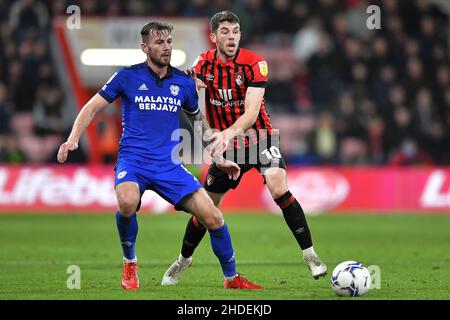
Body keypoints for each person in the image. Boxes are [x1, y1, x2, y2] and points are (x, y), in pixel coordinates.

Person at [57, 21, 262, 290]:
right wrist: (73, 139)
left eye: (168, 42)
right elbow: (91, 107)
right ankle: (130, 263)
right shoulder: (127, 76)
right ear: (145, 47)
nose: (166, 47)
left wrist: (219, 159)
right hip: (134, 161)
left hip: (169, 166)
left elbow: (199, 124)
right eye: (159, 42)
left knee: (213, 216)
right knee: (127, 203)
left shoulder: (184, 82)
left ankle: (231, 278)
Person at [162, 11, 327, 286]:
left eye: (235, 31)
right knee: (207, 210)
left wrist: (226, 134)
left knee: (278, 187)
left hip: (259, 138)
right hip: (226, 148)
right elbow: (191, 101)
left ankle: (310, 256)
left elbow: (251, 113)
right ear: (213, 36)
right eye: (225, 32)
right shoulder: (202, 64)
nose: (231, 37)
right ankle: (183, 260)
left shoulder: (255, 64)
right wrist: (191, 85)